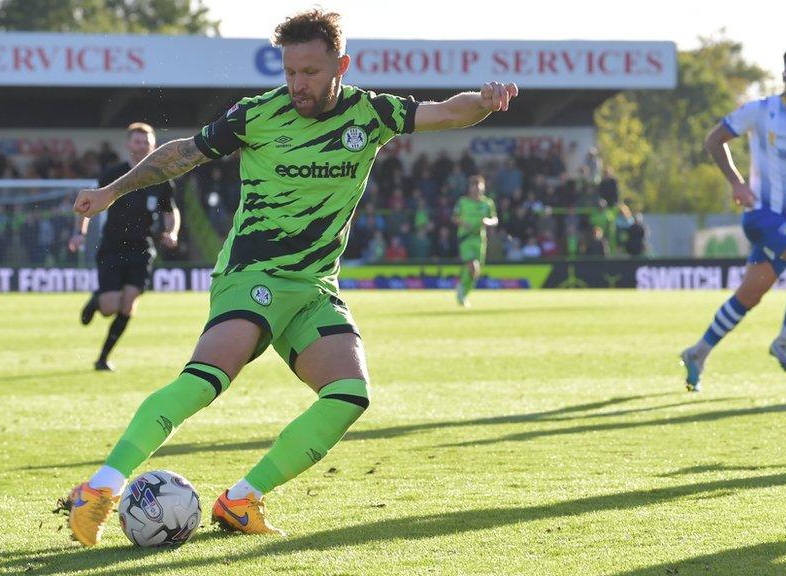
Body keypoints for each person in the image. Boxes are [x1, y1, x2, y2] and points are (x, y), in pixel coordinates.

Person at [61, 8, 518, 546]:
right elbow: (182, 153)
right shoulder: (257, 114)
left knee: (349, 393)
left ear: (340, 66)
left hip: (315, 285)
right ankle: (101, 489)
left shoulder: (371, 114)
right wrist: (114, 191)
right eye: (290, 72)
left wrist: (484, 104)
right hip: (252, 273)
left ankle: (241, 500)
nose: (298, 84)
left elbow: (445, 112)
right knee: (205, 380)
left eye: (310, 72)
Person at [680, 46, 786, 392]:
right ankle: (785, 340)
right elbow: (714, 140)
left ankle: (698, 352)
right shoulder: (761, 111)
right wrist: (737, 183)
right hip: (761, 216)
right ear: (783, 74)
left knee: (749, 296)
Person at [68, 122, 180, 372]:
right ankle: (97, 301)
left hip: (142, 249)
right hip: (113, 247)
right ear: (129, 145)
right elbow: (88, 203)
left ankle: (103, 358)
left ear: (154, 146)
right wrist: (79, 233)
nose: (142, 146)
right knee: (110, 308)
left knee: (128, 303)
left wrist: (171, 231)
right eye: (137, 142)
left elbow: (171, 211)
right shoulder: (112, 174)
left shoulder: (161, 179)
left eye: (146, 142)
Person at [453, 175, 498, 306]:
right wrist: (463, 222)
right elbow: (455, 218)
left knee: (476, 271)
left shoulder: (487, 203)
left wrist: (487, 222)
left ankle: (463, 291)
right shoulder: (462, 201)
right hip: (466, 238)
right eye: (474, 187)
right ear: (470, 188)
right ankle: (462, 290)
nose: (477, 190)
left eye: (479, 187)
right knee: (473, 265)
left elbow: (495, 219)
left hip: (479, 239)